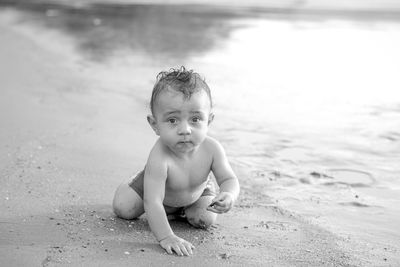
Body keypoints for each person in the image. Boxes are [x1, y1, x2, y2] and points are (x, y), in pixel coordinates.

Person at [112, 67, 240, 256]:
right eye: (172, 120)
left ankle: (179, 210)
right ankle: (138, 180)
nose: (185, 129)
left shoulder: (212, 149)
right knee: (123, 208)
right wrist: (166, 237)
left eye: (195, 119)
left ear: (209, 121)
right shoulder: (160, 155)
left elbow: (230, 179)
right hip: (155, 192)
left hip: (195, 192)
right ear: (155, 125)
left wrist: (228, 195)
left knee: (205, 219)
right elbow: (153, 201)